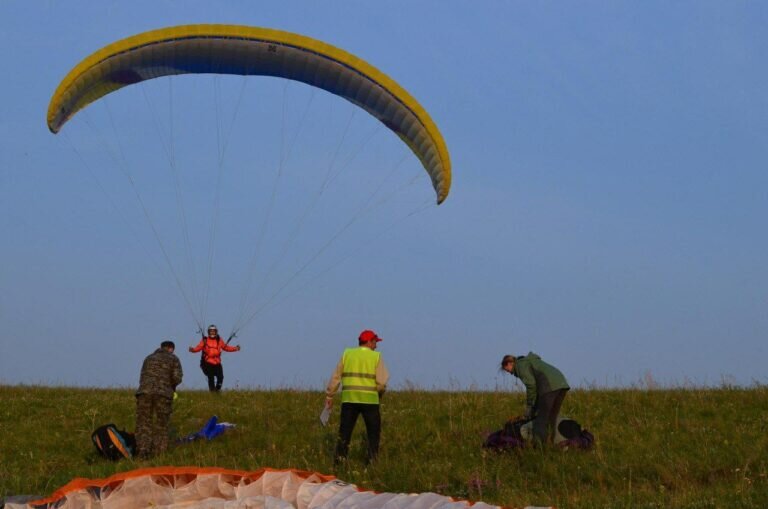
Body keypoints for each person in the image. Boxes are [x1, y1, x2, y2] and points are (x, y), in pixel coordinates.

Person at [325, 329, 389, 465]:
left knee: (344, 434)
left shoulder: (347, 354)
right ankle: (371, 463)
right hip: (370, 401)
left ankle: (339, 463)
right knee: (373, 434)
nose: (376, 346)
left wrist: (330, 396)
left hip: (349, 400)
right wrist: (378, 394)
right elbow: (382, 382)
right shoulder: (376, 356)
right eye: (375, 342)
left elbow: (336, 376)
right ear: (369, 342)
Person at [500, 352, 570, 447]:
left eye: (507, 370)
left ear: (509, 363)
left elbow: (531, 385)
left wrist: (529, 406)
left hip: (549, 386)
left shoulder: (520, 365)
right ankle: (554, 444)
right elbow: (536, 387)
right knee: (552, 417)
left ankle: (540, 447)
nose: (510, 373)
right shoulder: (529, 362)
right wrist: (534, 406)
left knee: (541, 420)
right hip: (561, 383)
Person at [135, 340, 183, 458]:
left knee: (143, 423)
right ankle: (159, 454)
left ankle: (142, 451)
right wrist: (170, 387)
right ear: (171, 349)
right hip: (163, 393)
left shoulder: (148, 358)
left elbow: (142, 376)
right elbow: (177, 378)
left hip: (144, 392)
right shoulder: (173, 358)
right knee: (161, 423)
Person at [189, 325, 241, 392]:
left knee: (221, 377)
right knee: (211, 377)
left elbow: (226, 347)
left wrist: (235, 348)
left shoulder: (219, 340)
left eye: (213, 331)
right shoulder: (205, 340)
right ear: (208, 332)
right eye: (211, 331)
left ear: (216, 332)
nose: (212, 333)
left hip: (217, 362)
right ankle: (212, 392)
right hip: (208, 362)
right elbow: (198, 348)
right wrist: (193, 350)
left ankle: (217, 390)